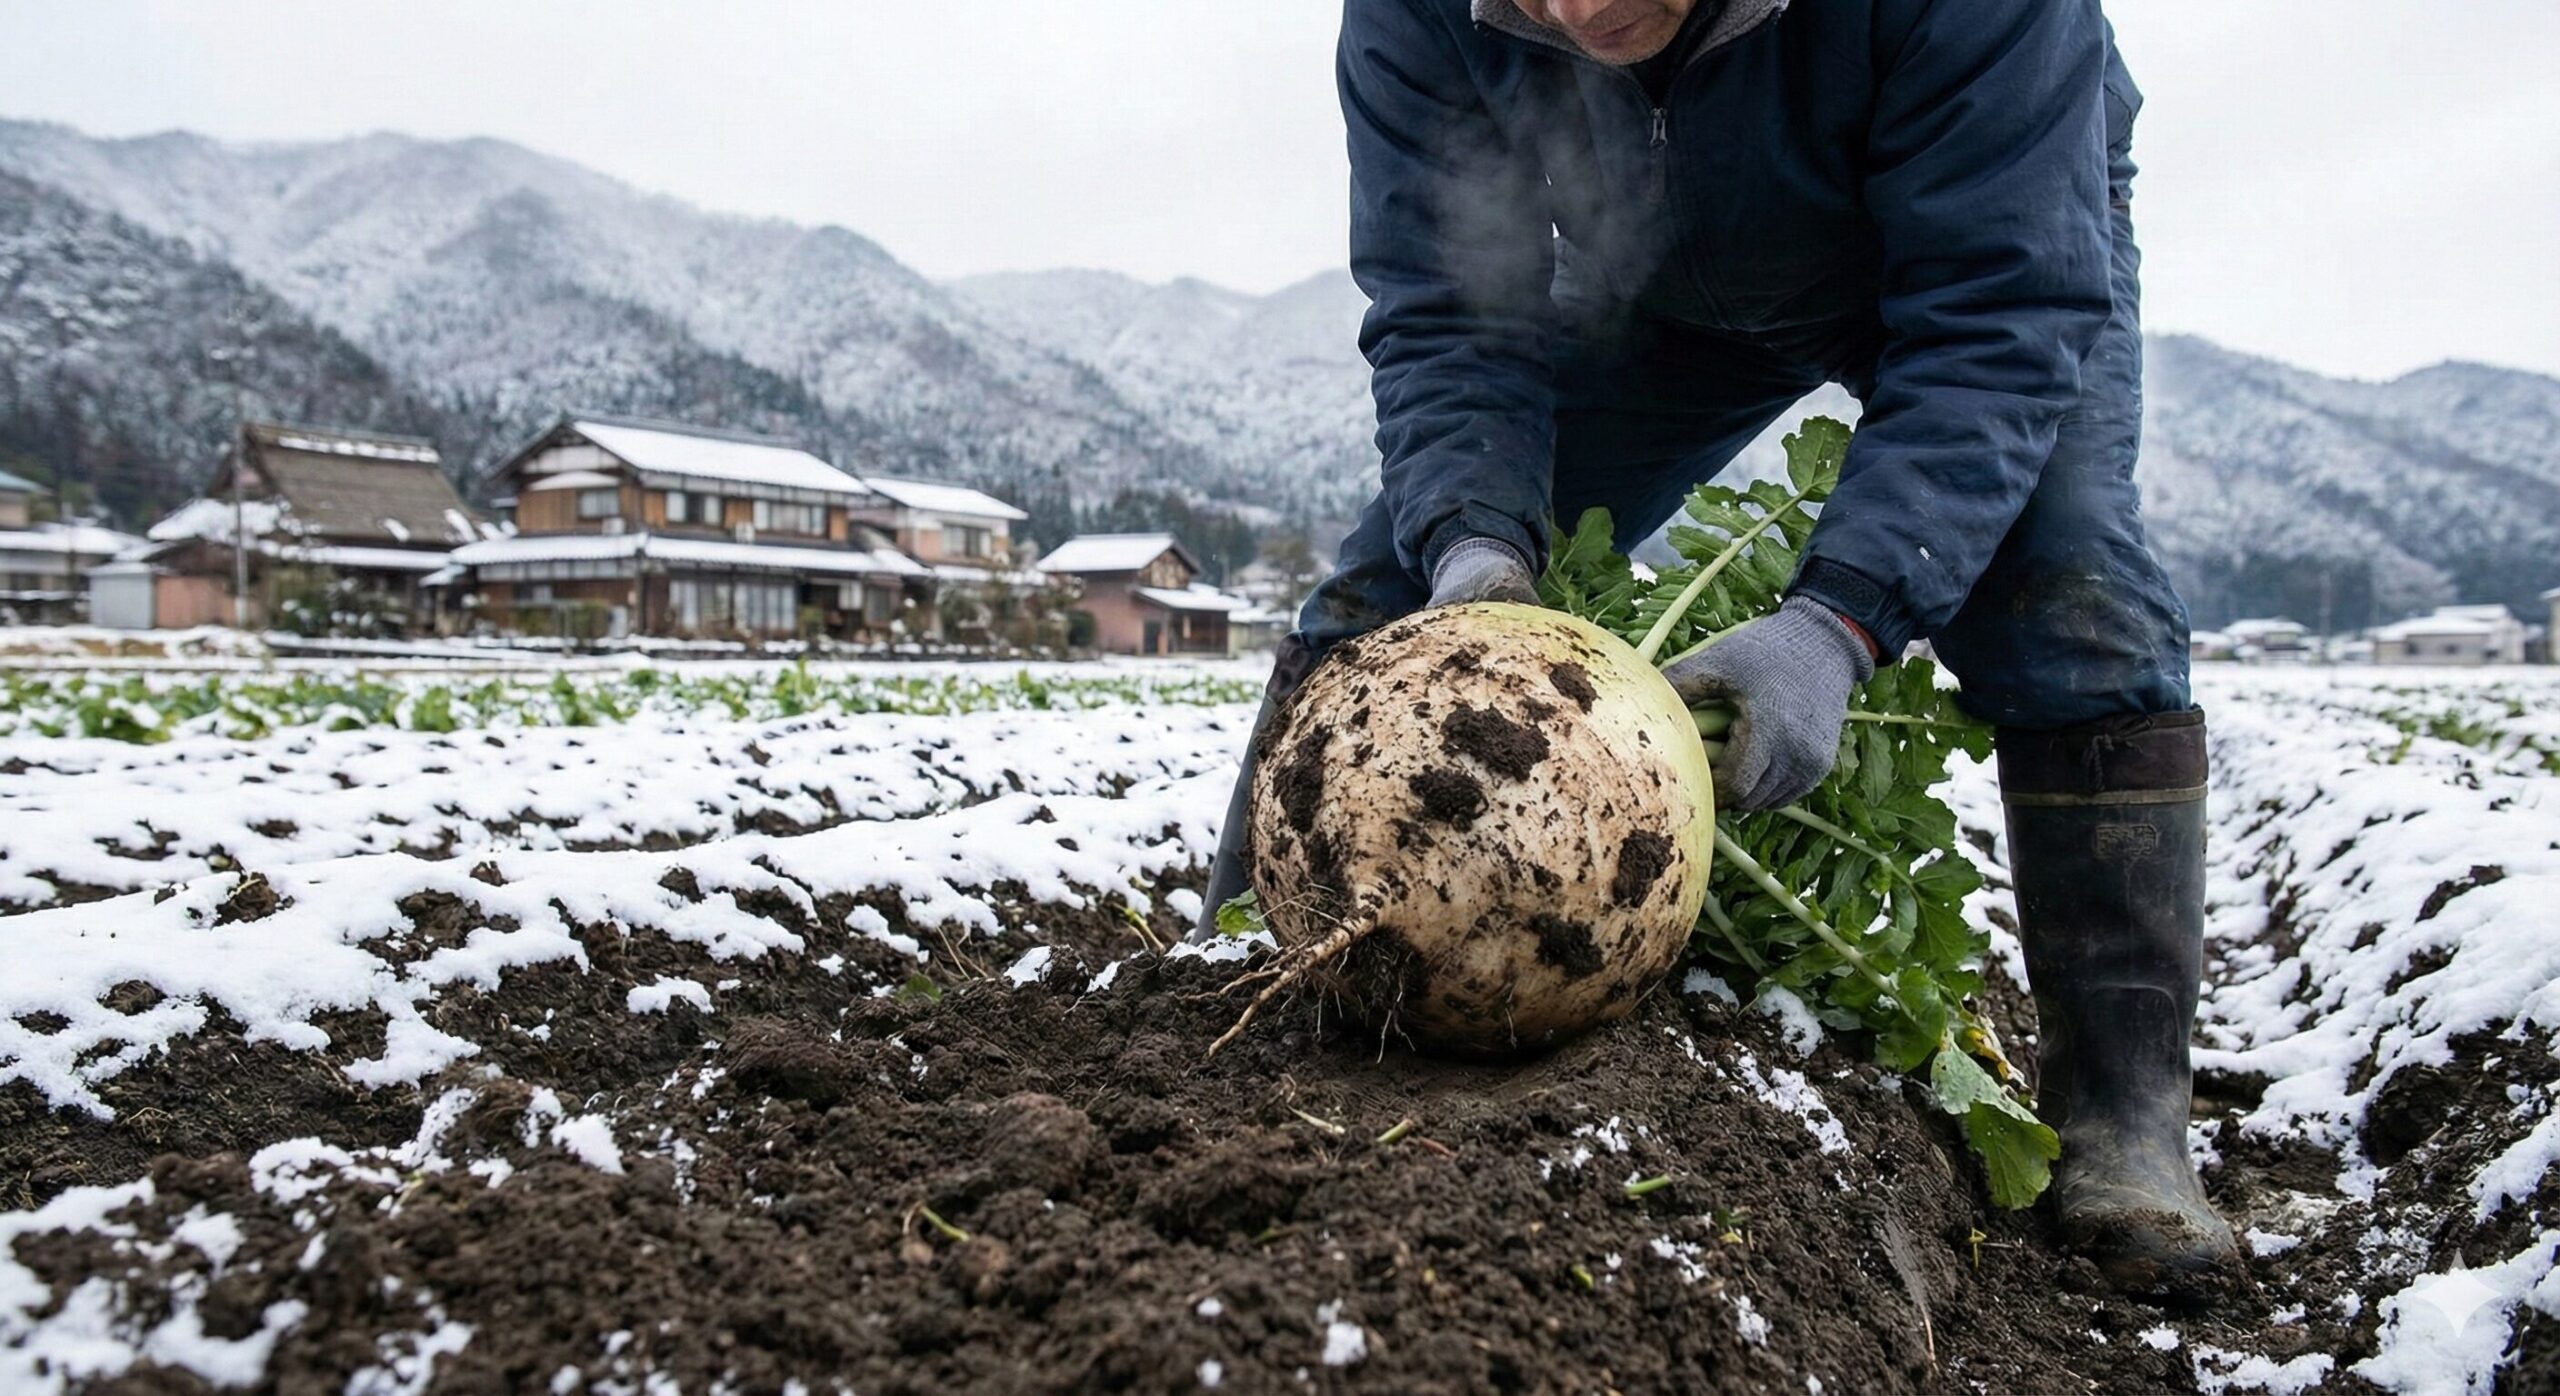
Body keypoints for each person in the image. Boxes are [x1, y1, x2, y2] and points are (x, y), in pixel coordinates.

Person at [1195, 0, 2241, 1296]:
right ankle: (1242, 961)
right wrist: (1479, 556)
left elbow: (2000, 318)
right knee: (1388, 584)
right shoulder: (1417, 13)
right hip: (1661, 282)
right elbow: (1454, 311)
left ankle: (2121, 1121)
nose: (1579, 12)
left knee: (2068, 588)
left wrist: (1840, 618)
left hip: (1963, 246)